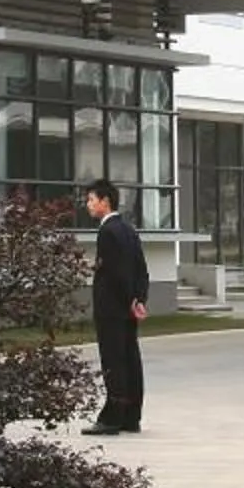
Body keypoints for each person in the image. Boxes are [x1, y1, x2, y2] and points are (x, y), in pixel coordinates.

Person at [82, 179, 148, 436]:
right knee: (130, 358)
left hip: (112, 308)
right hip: (128, 308)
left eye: (91, 200)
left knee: (114, 361)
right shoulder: (129, 229)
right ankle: (131, 417)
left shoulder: (108, 232)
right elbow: (140, 269)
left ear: (104, 201)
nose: (88, 205)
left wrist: (128, 297)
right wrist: (139, 299)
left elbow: (118, 272)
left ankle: (111, 418)